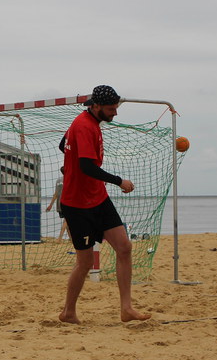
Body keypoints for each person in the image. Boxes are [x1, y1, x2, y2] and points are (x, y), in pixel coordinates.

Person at [58, 85, 150, 325]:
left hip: (98, 198)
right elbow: (86, 166)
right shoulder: (83, 125)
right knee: (85, 262)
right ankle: (68, 312)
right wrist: (119, 181)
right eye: (111, 109)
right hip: (77, 204)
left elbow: (62, 145)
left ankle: (127, 309)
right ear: (96, 106)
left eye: (116, 108)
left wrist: (68, 162)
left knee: (124, 247)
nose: (115, 113)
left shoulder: (91, 122)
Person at [44, 170, 67, 241]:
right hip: (67, 203)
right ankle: (60, 238)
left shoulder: (58, 180)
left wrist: (50, 205)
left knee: (67, 222)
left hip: (59, 203)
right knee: (66, 221)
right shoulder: (70, 179)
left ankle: (70, 239)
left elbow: (56, 194)